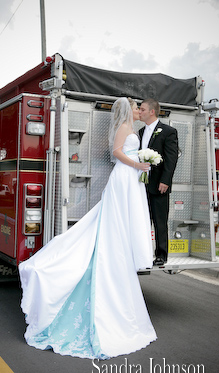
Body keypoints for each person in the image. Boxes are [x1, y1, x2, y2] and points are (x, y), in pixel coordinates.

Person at [19, 97, 157, 359]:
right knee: (112, 224)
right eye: (137, 107)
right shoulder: (124, 129)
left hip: (131, 179)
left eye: (141, 107)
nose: (140, 110)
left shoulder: (133, 129)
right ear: (129, 110)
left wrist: (140, 162)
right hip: (124, 177)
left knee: (123, 224)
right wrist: (138, 163)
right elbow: (116, 153)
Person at [139, 98, 178, 266]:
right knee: (143, 220)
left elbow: (171, 159)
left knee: (160, 221)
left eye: (142, 110)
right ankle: (144, 253)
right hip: (142, 185)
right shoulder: (140, 132)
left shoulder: (168, 131)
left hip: (159, 185)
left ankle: (161, 255)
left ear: (152, 112)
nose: (139, 112)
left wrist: (165, 181)